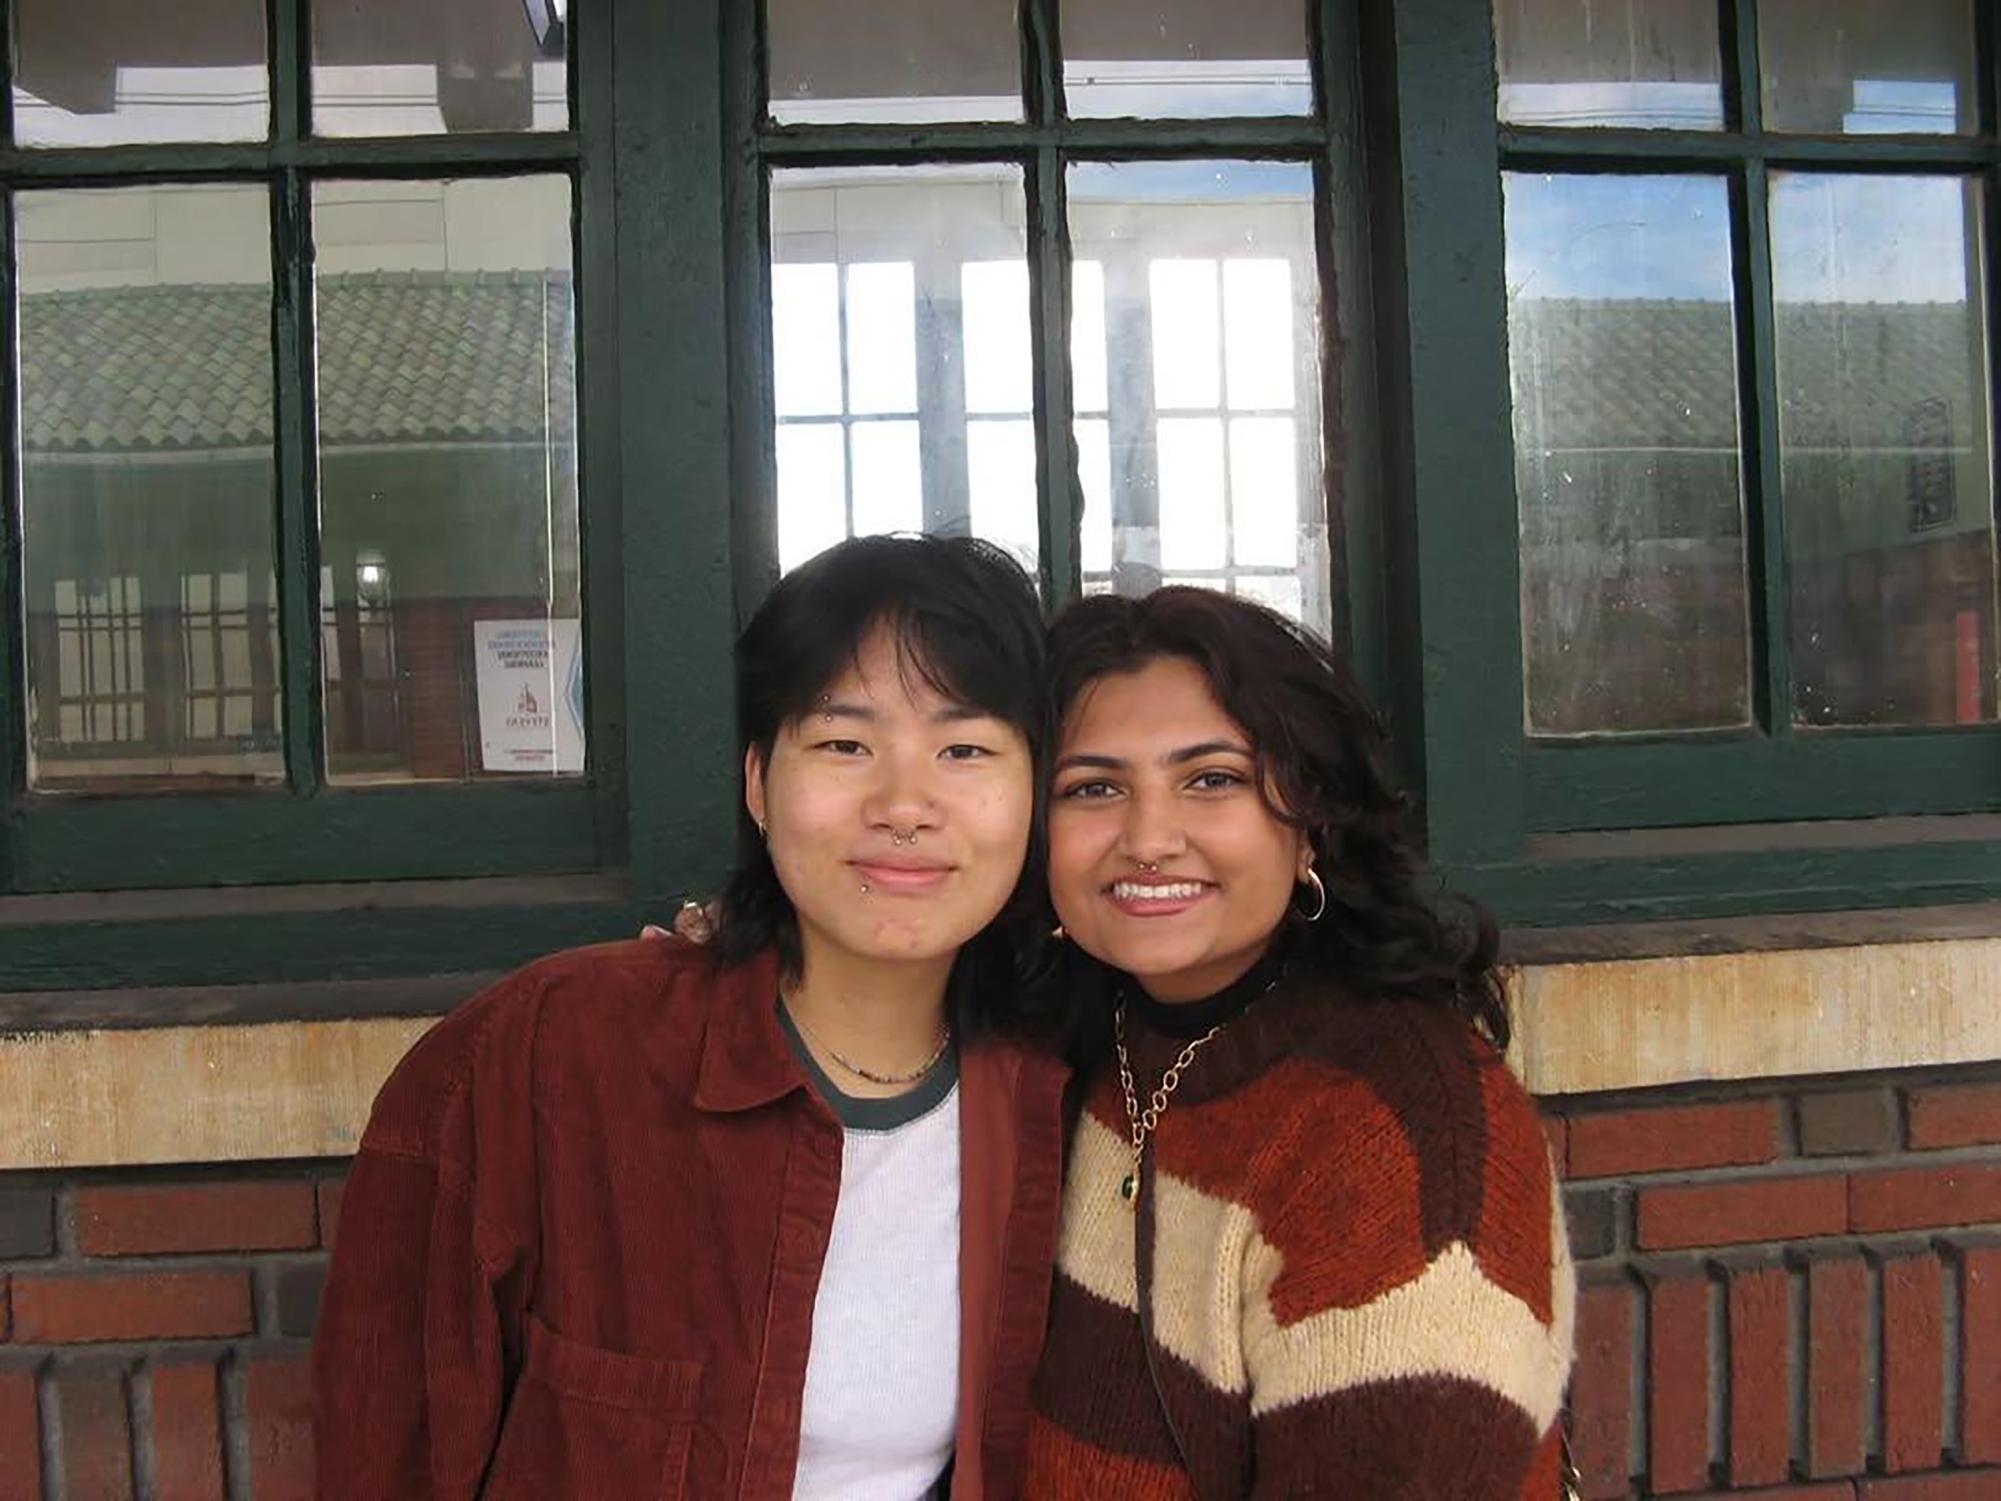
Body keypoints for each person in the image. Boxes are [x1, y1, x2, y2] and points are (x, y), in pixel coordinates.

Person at [313, 534, 1070, 1500]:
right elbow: (388, 1443)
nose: (904, 804)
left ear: (1031, 793)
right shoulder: (543, 1057)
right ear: (759, 782)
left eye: (964, 749)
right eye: (844, 743)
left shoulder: (1066, 1088)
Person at [1019, 587, 1574, 1498]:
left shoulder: (1396, 1135)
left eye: (1212, 779)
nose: (1149, 838)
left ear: (1311, 820)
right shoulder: (1081, 1031)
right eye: (1093, 787)